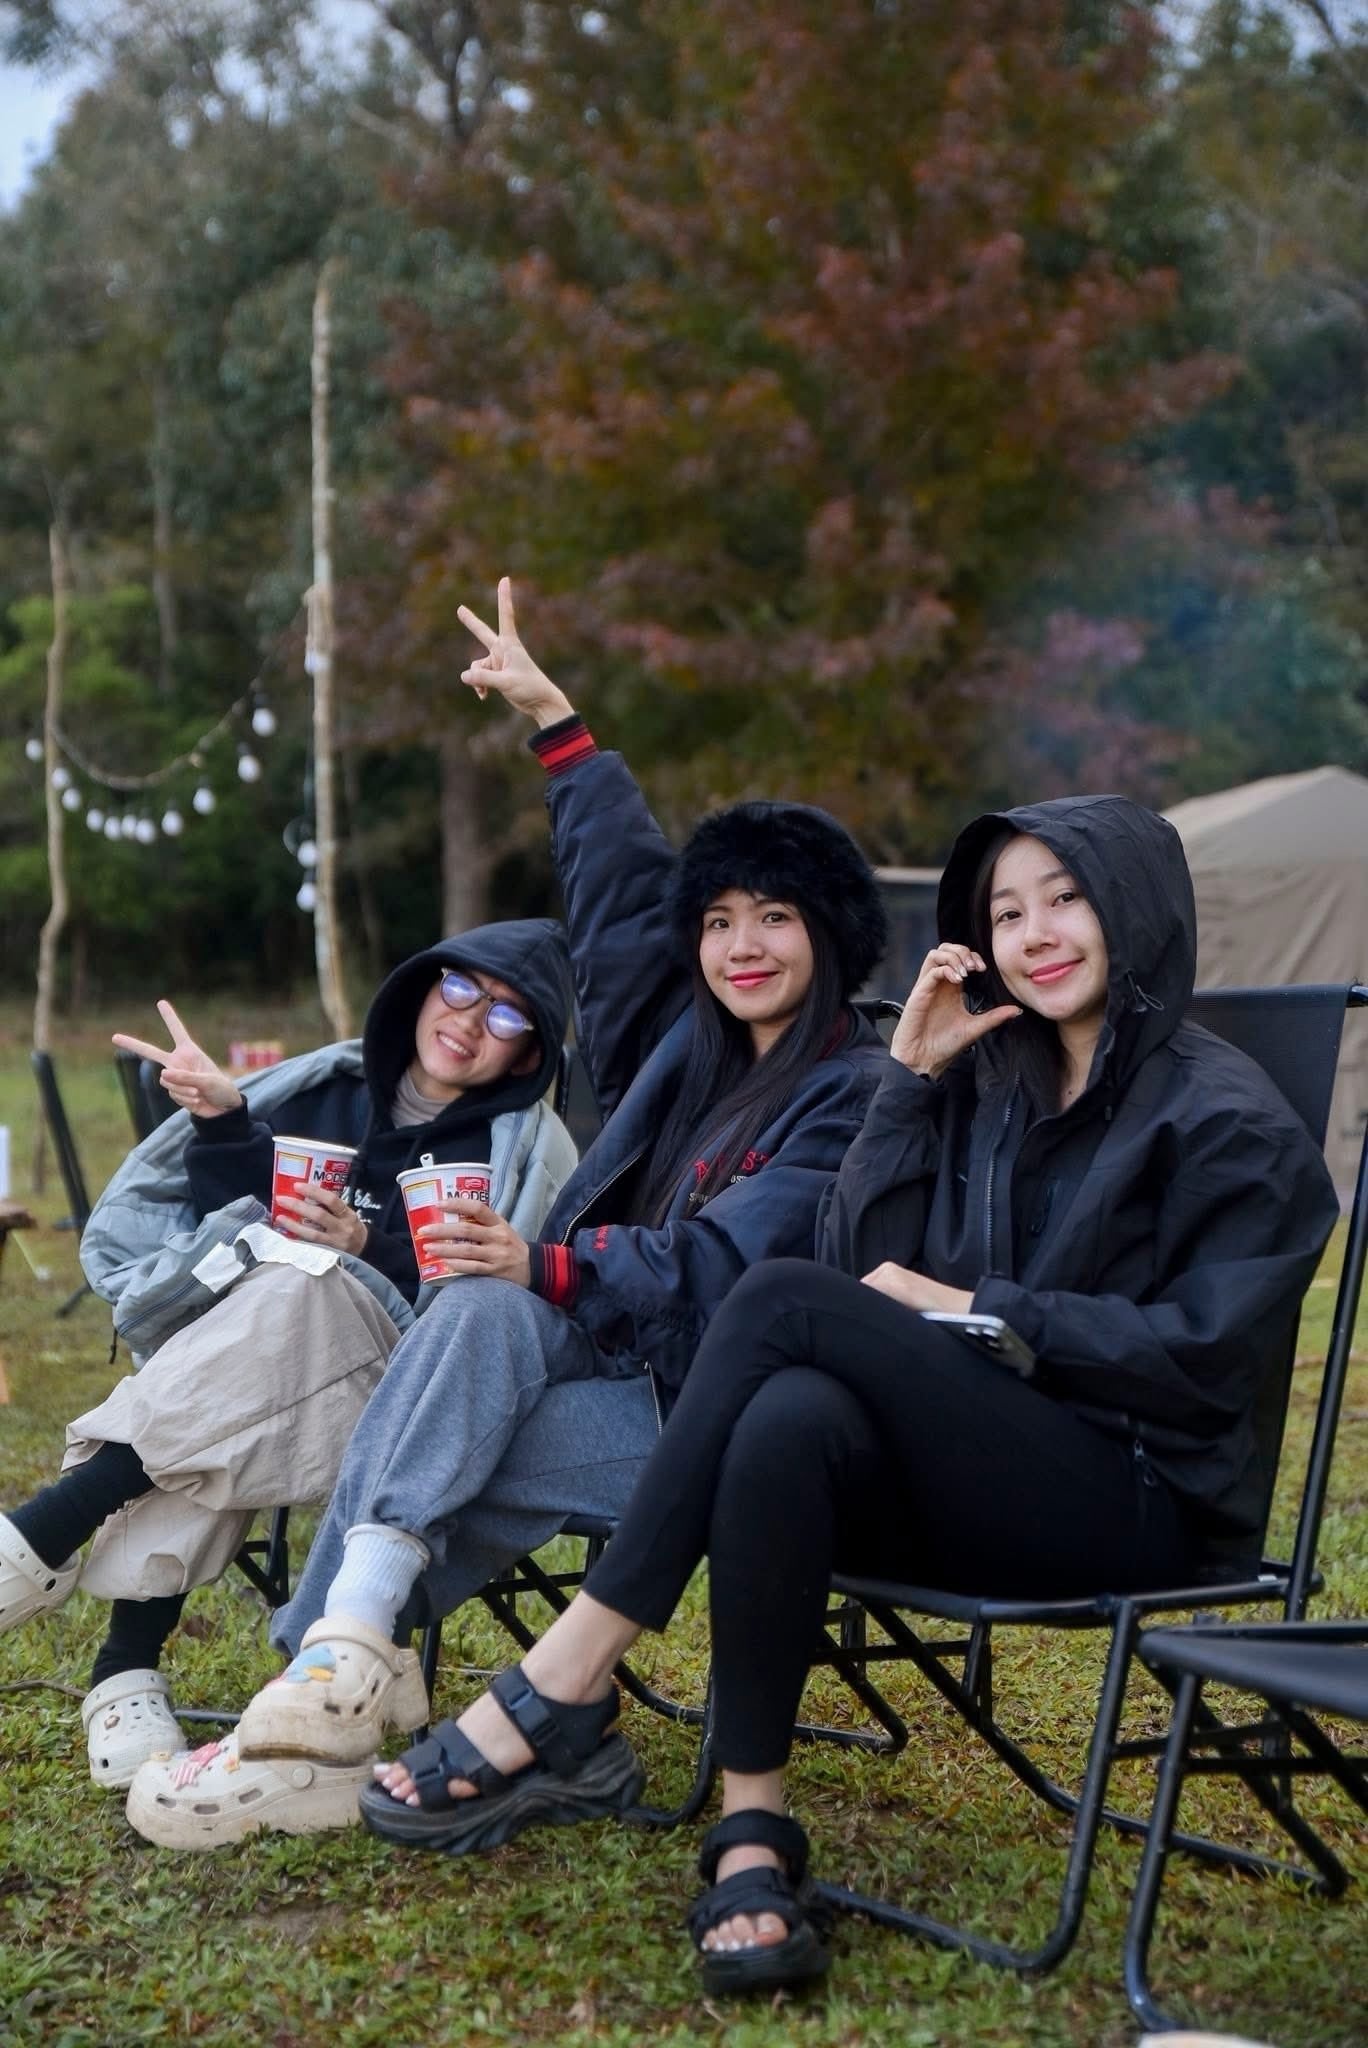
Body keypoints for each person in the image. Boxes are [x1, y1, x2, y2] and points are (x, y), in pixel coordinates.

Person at [350, 793, 1338, 1998]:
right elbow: (858, 1251)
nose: (1036, 933)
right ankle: (754, 1833)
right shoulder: (990, 1080)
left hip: (1138, 1496)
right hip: (977, 1469)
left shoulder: (1229, 1118)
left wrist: (978, 1309)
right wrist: (912, 1082)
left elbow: (1204, 1356)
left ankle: (567, 1676)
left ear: (1132, 908)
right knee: (788, 1413)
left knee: (775, 1300)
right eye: (1008, 910)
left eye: (1065, 899)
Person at [124, 576, 891, 1848]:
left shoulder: (850, 1088)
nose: (739, 943)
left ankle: (315, 1709)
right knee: (473, 1310)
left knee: (439, 1446)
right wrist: (562, 733)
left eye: (775, 917)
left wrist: (552, 1261)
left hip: (708, 1414)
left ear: (828, 933)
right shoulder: (681, 1044)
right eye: (719, 919)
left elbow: (729, 1264)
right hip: (604, 1352)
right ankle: (337, 1676)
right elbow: (617, 894)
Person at [0, 919, 576, 1792]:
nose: (470, 1020)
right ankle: (120, 1671)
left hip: (397, 1394)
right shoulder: (324, 1092)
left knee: (305, 1289)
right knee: (272, 1314)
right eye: (463, 989)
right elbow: (210, 1224)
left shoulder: (518, 1153)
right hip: (258, 1375)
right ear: (425, 987)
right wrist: (228, 1123)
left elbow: (491, 1306)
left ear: (528, 1053)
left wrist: (369, 1248)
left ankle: (61, 1544)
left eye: (506, 1017)